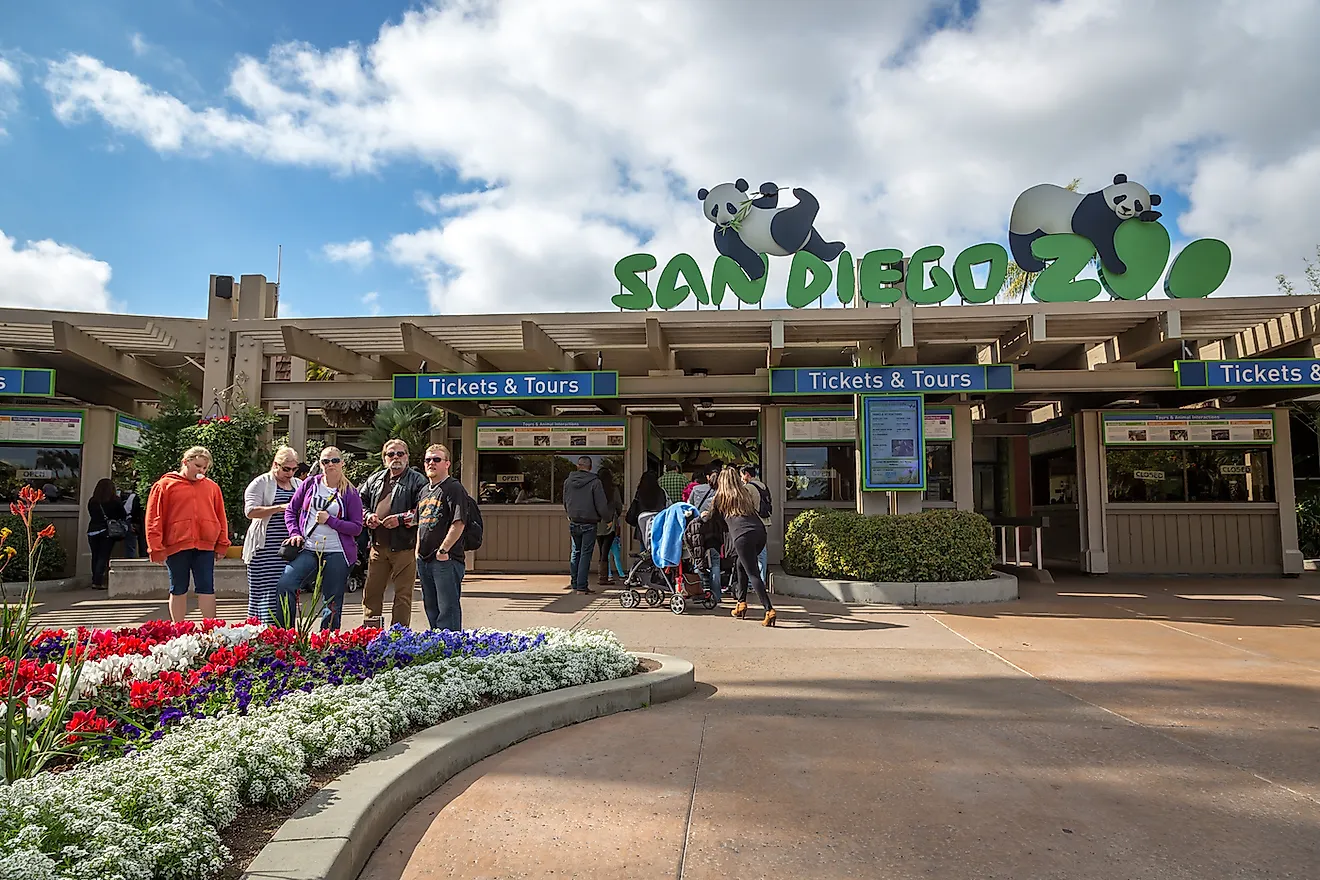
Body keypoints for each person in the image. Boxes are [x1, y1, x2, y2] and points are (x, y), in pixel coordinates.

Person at [274, 446, 363, 631]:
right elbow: (291, 510)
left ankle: (326, 642)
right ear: (320, 464)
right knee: (286, 584)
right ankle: (285, 636)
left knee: (331, 601)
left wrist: (331, 521)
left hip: (337, 552)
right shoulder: (310, 484)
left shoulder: (350, 492)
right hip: (308, 548)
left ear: (342, 463)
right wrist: (295, 533)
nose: (330, 465)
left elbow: (356, 528)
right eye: (325, 461)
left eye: (335, 461)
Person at [146, 447, 230, 622]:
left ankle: (211, 629)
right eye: (198, 466)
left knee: (207, 587)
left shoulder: (212, 487)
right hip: (176, 544)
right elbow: (154, 517)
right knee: (178, 587)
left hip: (205, 544)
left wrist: (222, 543)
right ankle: (178, 628)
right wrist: (155, 548)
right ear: (186, 462)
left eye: (205, 468)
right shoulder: (164, 485)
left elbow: (220, 515)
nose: (202, 471)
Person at [359, 439, 428, 629]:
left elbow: (424, 509)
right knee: (372, 593)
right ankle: (370, 635)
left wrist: (400, 519)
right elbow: (360, 502)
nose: (395, 458)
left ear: (407, 457)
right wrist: (367, 516)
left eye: (400, 454)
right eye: (391, 454)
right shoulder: (374, 479)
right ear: (384, 459)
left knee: (403, 596)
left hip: (404, 547)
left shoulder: (417, 480)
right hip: (378, 547)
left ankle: (398, 638)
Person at [708, 468, 775, 627]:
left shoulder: (720, 497)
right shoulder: (744, 493)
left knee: (753, 573)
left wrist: (702, 517)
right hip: (759, 532)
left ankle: (769, 610)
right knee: (740, 564)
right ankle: (741, 603)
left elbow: (711, 517)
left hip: (742, 536)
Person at [242, 446, 302, 624]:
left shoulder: (298, 484)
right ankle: (262, 632)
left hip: (289, 549)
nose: (290, 473)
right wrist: (279, 508)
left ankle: (284, 632)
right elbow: (250, 511)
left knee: (286, 590)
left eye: (294, 469)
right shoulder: (260, 483)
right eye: (286, 469)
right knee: (266, 592)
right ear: (275, 464)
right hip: (265, 548)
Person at [415, 444, 470, 630]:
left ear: (447, 463)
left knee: (448, 610)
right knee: (431, 608)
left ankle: (452, 651)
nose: (431, 463)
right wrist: (417, 552)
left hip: (446, 559)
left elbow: (459, 522)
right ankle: (437, 647)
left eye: (436, 459)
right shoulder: (424, 491)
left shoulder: (454, 488)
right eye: (428, 460)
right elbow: (420, 523)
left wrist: (444, 550)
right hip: (424, 559)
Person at [562, 455, 611, 594]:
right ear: (590, 467)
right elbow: (601, 504)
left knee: (575, 552)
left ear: (578, 465)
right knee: (585, 554)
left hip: (574, 520)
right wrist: (607, 519)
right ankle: (582, 586)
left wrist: (569, 514)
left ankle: (574, 583)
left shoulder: (568, 482)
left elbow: (565, 500)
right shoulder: (595, 482)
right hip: (589, 522)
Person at [687, 464, 723, 595]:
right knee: (715, 562)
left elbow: (689, 508)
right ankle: (716, 594)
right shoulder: (721, 493)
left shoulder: (696, 489)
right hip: (714, 529)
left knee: (698, 560)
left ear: (707, 477)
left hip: (698, 529)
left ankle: (700, 591)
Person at [87, 478, 127, 590]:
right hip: (107, 531)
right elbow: (122, 515)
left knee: (95, 555)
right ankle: (98, 581)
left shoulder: (92, 501)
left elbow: (91, 514)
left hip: (92, 530)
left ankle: (95, 579)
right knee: (103, 556)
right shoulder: (114, 500)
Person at [740, 464, 773, 585]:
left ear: (747, 475)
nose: (741, 479)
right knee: (762, 552)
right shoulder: (763, 485)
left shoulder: (748, 487)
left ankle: (753, 582)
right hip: (765, 521)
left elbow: (744, 507)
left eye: (742, 476)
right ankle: (762, 580)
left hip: (753, 523)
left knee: (751, 553)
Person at [594, 467, 626, 586]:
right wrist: (615, 515)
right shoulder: (613, 489)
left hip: (597, 522)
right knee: (605, 550)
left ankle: (603, 576)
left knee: (602, 548)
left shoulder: (595, 488)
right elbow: (618, 506)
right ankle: (604, 577)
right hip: (610, 522)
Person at [120, 483, 147, 559]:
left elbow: (127, 509)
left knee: (132, 544)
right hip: (135, 521)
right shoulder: (135, 497)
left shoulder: (133, 496)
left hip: (133, 520)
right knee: (134, 542)